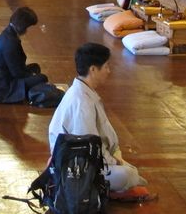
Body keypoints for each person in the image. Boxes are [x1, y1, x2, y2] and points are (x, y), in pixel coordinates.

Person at [49, 43, 153, 198]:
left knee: (132, 173)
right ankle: (105, 191)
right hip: (78, 166)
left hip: (90, 157)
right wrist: (114, 161)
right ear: (93, 69)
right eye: (106, 67)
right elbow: (87, 148)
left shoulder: (83, 91)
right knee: (129, 175)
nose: (108, 71)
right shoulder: (81, 102)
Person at [0, 7, 48, 103]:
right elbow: (17, 73)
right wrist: (31, 75)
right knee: (42, 78)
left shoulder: (8, 33)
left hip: (0, 78)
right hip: (0, 87)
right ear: (23, 26)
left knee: (35, 67)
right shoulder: (10, 43)